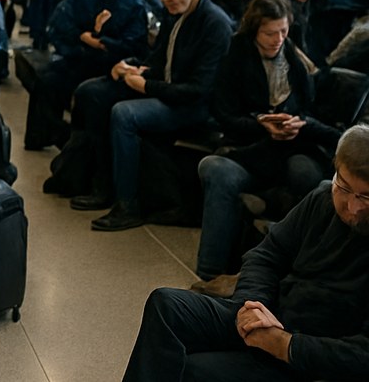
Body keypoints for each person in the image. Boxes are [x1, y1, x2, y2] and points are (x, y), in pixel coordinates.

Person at [123, 124, 369, 382]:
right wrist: (251, 305)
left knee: (194, 369)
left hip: (311, 354)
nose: (352, 207)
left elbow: (362, 353)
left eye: (365, 197)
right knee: (167, 305)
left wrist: (285, 345)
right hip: (270, 314)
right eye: (343, 187)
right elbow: (266, 255)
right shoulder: (321, 199)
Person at [69, 0, 233, 230]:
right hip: (168, 91)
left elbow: (198, 90)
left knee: (124, 114)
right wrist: (132, 67)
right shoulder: (177, 14)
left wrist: (146, 85)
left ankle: (128, 205)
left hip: (195, 106)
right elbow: (159, 59)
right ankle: (100, 182)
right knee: (92, 92)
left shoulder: (214, 23)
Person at [193, 0, 339, 291]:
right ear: (254, 31)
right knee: (218, 171)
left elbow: (311, 109)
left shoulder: (294, 57)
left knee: (307, 175)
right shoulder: (236, 54)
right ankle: (209, 274)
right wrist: (261, 124)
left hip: (294, 145)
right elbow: (223, 113)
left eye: (283, 31)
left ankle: (293, 277)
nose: (278, 39)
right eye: (270, 33)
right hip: (252, 148)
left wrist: (298, 123)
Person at [26, 0, 149, 152]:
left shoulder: (133, 4)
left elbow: (133, 46)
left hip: (110, 66)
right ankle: (48, 136)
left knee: (87, 93)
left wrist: (100, 41)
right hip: (82, 57)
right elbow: (60, 24)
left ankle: (77, 144)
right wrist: (82, 37)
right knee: (46, 79)